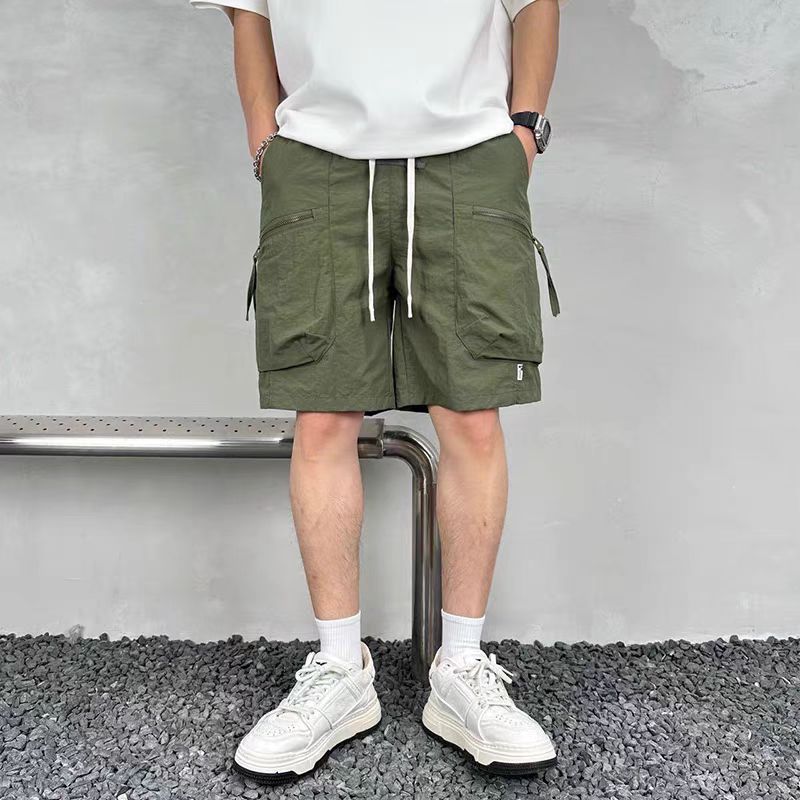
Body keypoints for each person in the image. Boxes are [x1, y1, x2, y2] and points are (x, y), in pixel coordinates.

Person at [189, 0, 564, 783]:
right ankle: (339, 670)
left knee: (472, 417)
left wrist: (524, 131)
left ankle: (462, 668)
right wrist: (267, 145)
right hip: (317, 159)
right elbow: (248, 15)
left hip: (470, 153)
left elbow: (537, 4)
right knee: (324, 417)